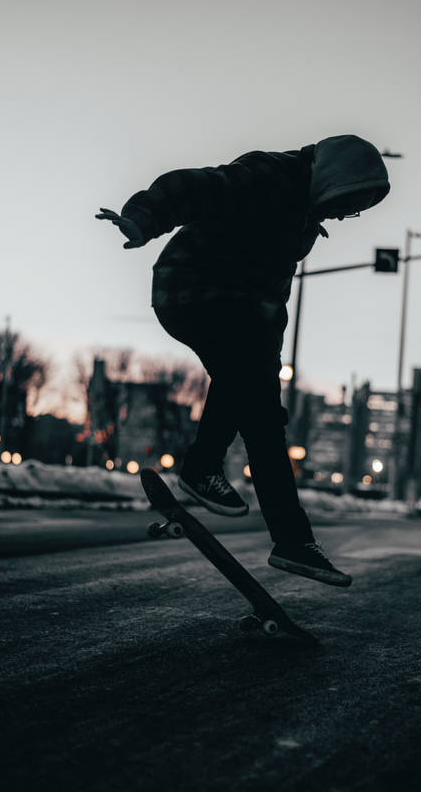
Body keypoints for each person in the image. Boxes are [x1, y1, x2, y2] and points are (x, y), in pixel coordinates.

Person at [96, 134, 390, 587]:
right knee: (248, 375)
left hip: (241, 311)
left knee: (264, 418)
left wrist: (269, 364)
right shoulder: (269, 175)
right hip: (191, 288)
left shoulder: (302, 219)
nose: (341, 216)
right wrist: (144, 217)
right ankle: (202, 467)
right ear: (333, 179)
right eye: (346, 204)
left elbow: (273, 292)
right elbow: (193, 186)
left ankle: (292, 541)